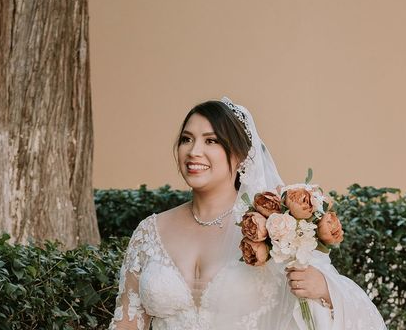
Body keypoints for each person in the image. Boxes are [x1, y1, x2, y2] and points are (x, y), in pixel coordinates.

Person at [109, 98, 387, 330]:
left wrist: (324, 289)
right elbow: (127, 322)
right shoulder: (151, 231)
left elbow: (347, 312)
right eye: (186, 139)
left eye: (211, 141)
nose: (194, 151)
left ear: (241, 155)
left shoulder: (275, 227)